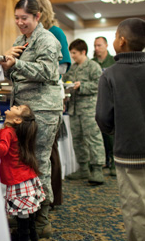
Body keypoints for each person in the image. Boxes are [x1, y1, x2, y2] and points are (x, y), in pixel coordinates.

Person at [0, 0, 63, 238]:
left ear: (37, 17)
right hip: (23, 108)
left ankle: (42, 220)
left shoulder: (47, 40)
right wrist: (5, 65)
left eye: (25, 18)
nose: (20, 23)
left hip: (42, 110)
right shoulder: (21, 40)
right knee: (23, 162)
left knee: (39, 162)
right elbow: (16, 78)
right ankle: (25, 215)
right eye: (17, 18)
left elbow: (48, 72)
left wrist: (16, 64)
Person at [95, 18, 145, 241]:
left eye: (115, 36)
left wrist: (118, 132)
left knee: (135, 208)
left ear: (121, 41)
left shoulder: (110, 74)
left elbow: (103, 117)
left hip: (129, 152)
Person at [0, 104, 45, 241]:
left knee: (22, 217)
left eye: (17, 108)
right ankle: (32, 236)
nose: (13, 105)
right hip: (26, 177)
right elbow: (5, 144)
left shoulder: (8, 131)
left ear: (17, 120)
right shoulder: (11, 131)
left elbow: (1, 150)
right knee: (29, 216)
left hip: (18, 179)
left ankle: (23, 237)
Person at [34, 0, 71, 208]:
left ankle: (54, 198)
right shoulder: (30, 35)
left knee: (49, 150)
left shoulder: (55, 32)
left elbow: (62, 68)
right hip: (34, 98)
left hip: (49, 98)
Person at [62, 39, 105, 184]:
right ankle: (84, 168)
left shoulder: (93, 66)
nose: (72, 56)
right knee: (78, 140)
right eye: (71, 53)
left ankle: (98, 169)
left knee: (93, 139)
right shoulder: (72, 69)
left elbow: (99, 85)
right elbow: (65, 84)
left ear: (83, 52)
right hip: (74, 110)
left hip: (89, 109)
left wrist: (82, 86)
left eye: (74, 53)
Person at [92, 36, 116, 176]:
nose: (97, 48)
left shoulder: (113, 61)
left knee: (110, 134)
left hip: (111, 101)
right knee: (99, 134)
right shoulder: (92, 62)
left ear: (106, 45)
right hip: (95, 101)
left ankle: (113, 161)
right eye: (95, 46)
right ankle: (104, 160)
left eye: (99, 45)